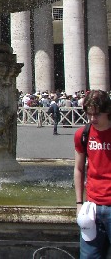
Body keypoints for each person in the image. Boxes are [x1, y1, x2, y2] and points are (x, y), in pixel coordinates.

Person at [74, 89, 111, 258]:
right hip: (92, 207)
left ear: (108, 111)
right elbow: (79, 168)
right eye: (89, 115)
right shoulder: (83, 134)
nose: (92, 119)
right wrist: (79, 203)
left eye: (97, 115)